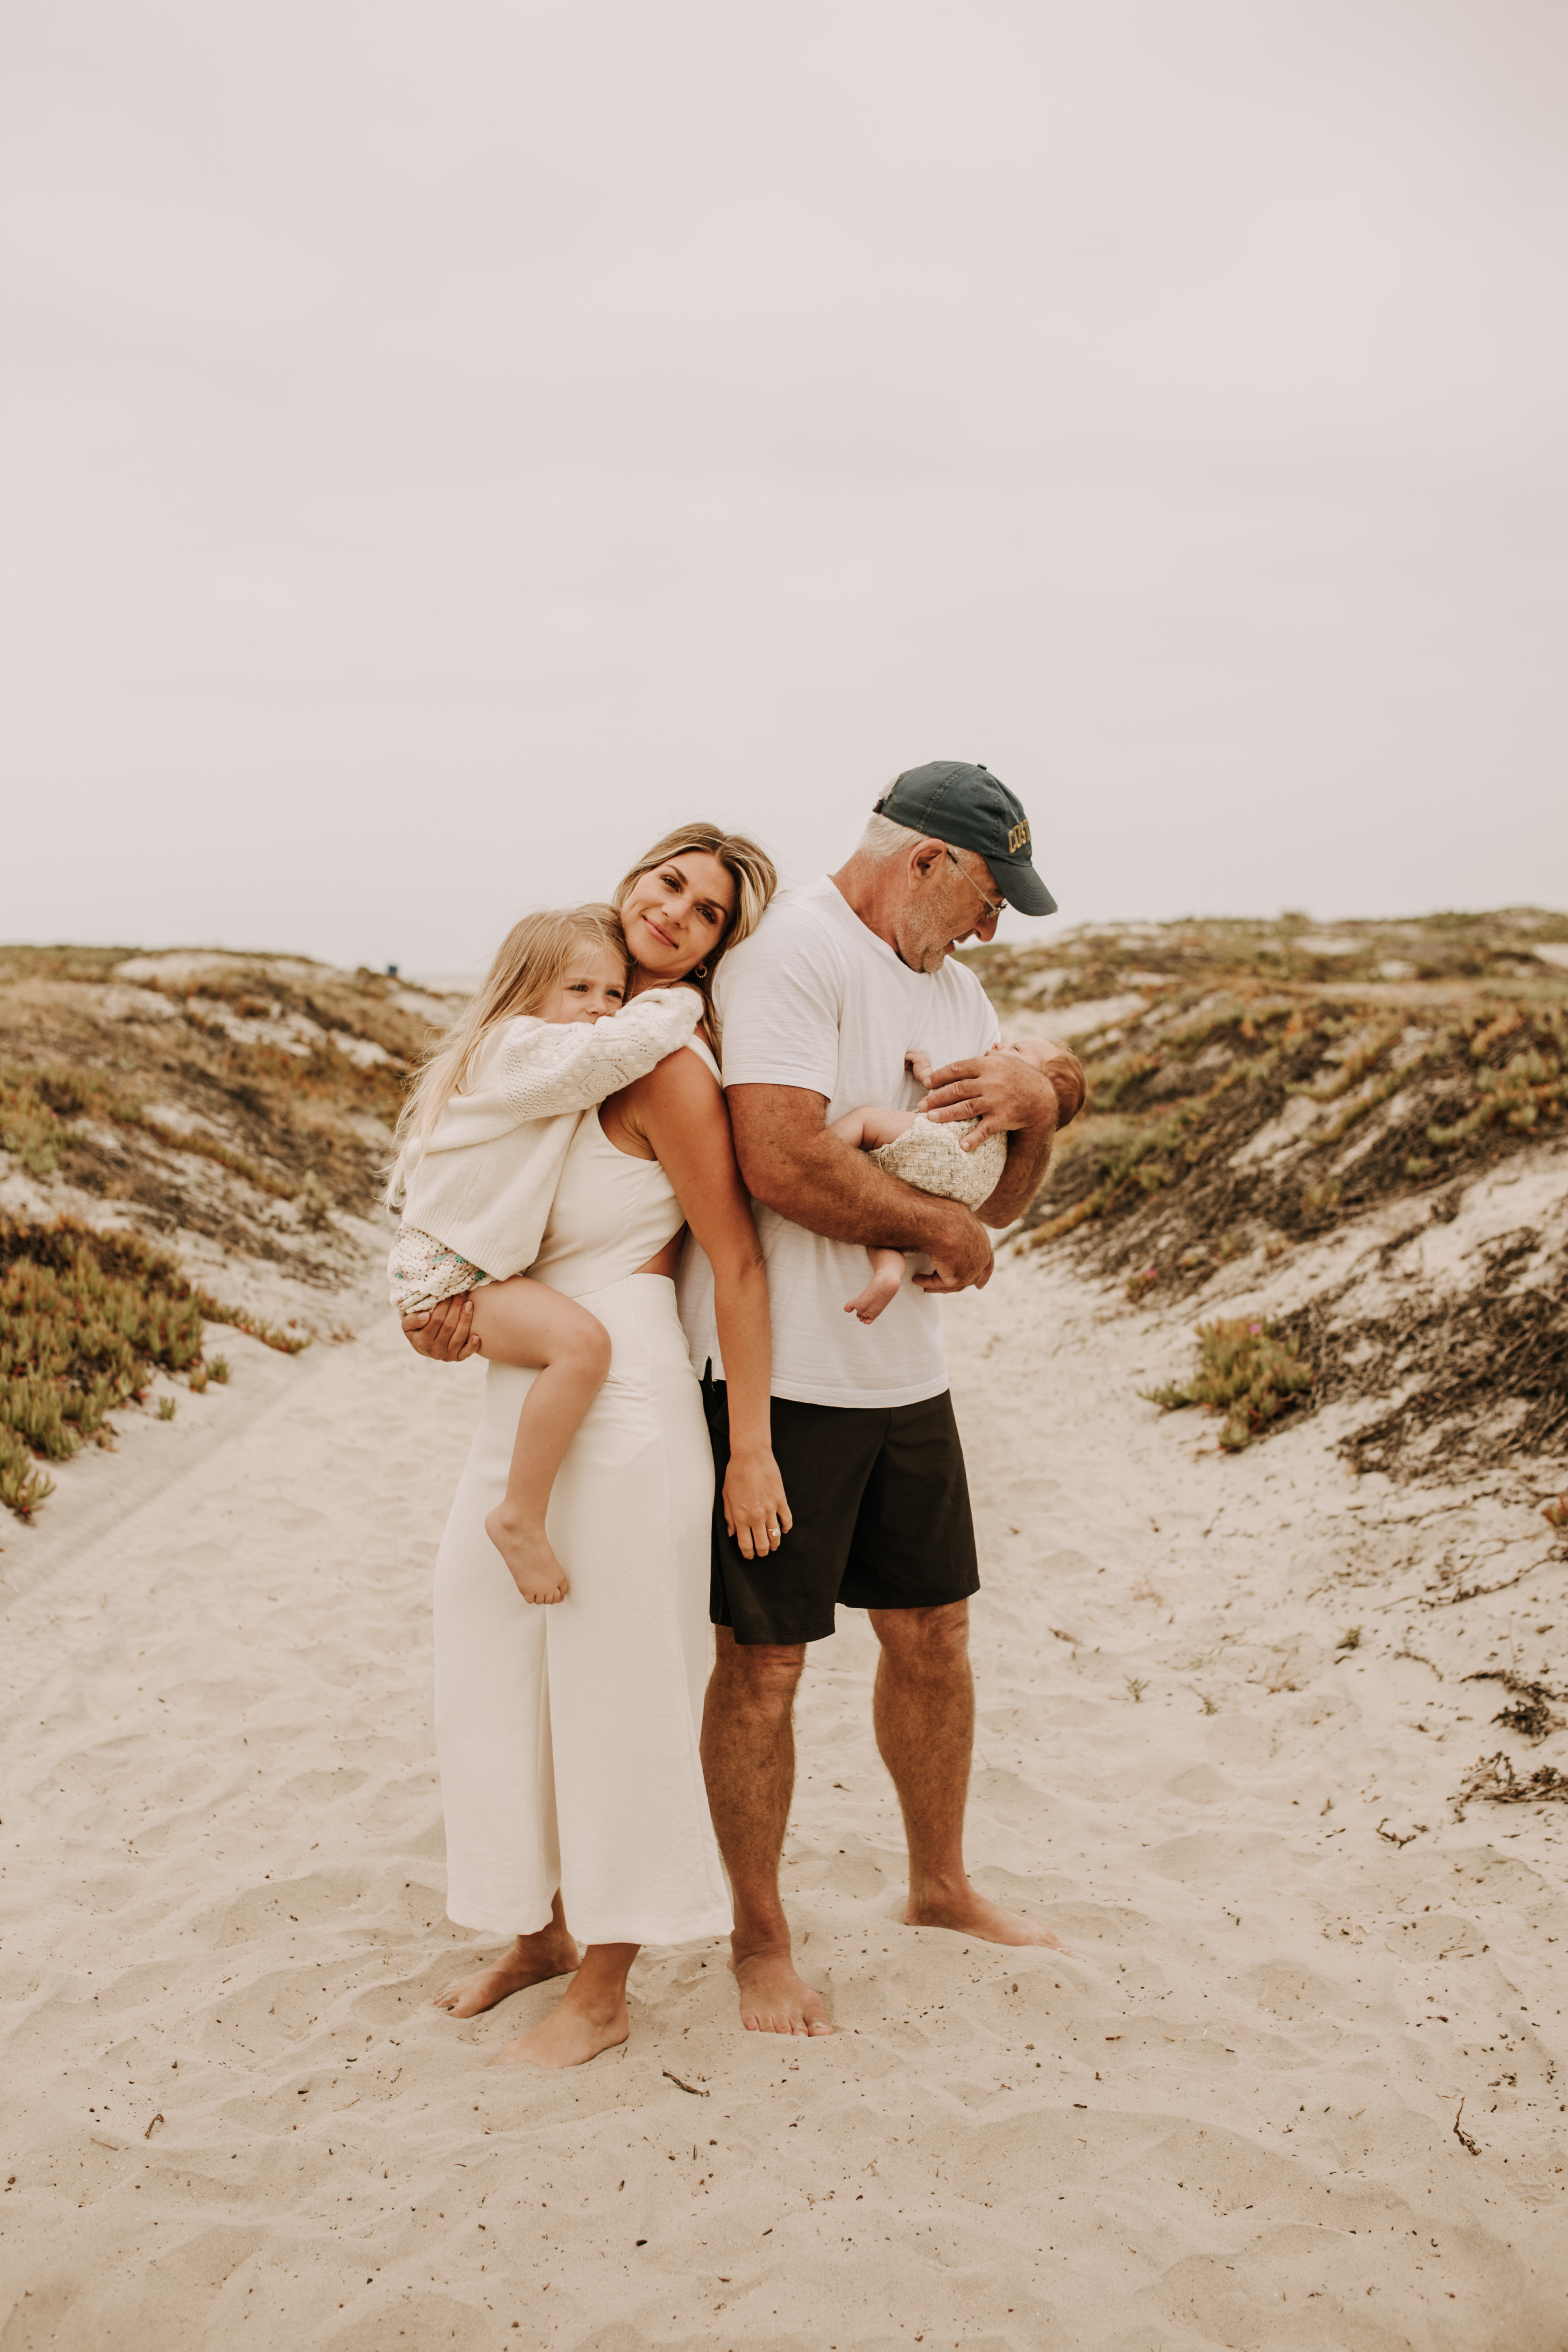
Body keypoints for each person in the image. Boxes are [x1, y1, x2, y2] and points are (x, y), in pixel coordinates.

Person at [679, 760, 1085, 2038]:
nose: (992, 925)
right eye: (985, 892)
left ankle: (939, 1883)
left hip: (903, 1377)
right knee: (767, 1664)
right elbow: (781, 1157)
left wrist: (1037, 1116)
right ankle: (761, 1940)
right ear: (923, 860)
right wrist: (947, 1238)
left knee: (937, 1638)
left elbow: (992, 1206)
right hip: (782, 1376)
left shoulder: (958, 991)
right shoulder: (791, 954)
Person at [405, 826, 791, 2069]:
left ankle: (609, 1983)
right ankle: (538, 1932)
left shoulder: (668, 1064)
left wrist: (750, 1449)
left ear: (718, 950)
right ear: (633, 885)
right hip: (524, 1398)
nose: (678, 908)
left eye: (709, 910)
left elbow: (734, 1258)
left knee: (621, 1688)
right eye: (670, 881)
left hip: (621, 1405)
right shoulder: (562, 1047)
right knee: (492, 1660)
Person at [385, 904, 702, 1601]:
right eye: (579, 990)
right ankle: (520, 1516)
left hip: (454, 1265)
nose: (600, 1011)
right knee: (583, 1347)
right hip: (448, 1275)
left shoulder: (528, 1054)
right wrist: (679, 999)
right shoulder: (518, 1048)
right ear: (527, 990)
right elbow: (613, 1055)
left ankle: (522, 1511)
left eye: (614, 993)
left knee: (575, 1347)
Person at [831, 1038, 1079, 1323]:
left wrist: (924, 1068)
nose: (1000, 1045)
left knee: (864, 1122)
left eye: (1017, 1050)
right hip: (972, 1189)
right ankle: (888, 1271)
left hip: (944, 1150)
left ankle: (816, 1155)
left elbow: (940, 1085)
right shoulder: (1016, 1131)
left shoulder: (995, 1083)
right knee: (890, 1222)